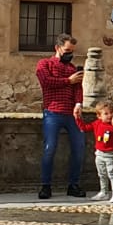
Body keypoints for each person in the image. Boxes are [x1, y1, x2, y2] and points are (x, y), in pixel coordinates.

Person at [36, 34, 86, 198]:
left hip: (71, 113)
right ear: (57, 48)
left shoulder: (72, 68)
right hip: (52, 111)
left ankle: (74, 184)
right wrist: (67, 81)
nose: (69, 53)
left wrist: (78, 104)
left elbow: (78, 88)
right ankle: (45, 185)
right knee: (49, 148)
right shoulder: (45, 64)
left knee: (79, 148)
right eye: (67, 50)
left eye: (72, 51)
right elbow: (46, 81)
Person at [74, 98, 113, 203]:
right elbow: (84, 128)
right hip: (99, 153)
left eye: (111, 113)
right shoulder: (97, 123)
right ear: (99, 116)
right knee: (101, 174)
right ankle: (104, 192)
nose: (109, 116)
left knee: (112, 174)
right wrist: (78, 118)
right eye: (106, 114)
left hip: (111, 154)